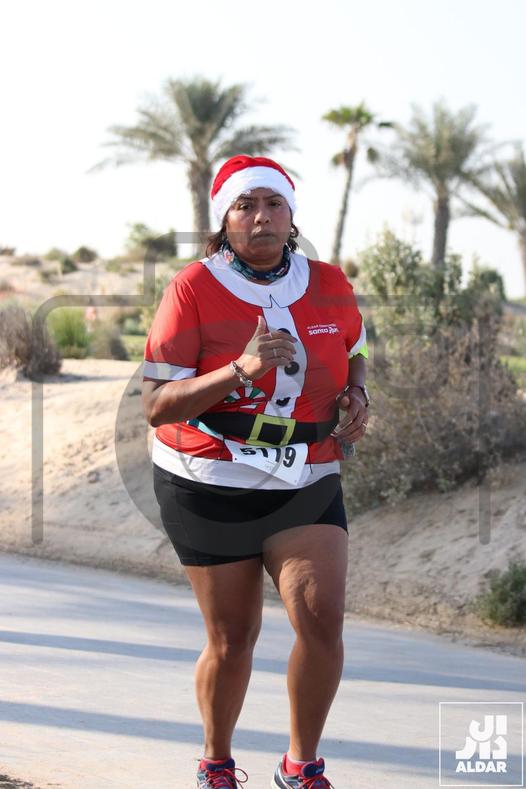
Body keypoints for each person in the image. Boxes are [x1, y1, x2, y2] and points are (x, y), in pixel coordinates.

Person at [142, 155, 369, 789]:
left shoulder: (329, 283)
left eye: (273, 203)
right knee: (232, 637)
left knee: (322, 621)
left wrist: (358, 392)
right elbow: (157, 406)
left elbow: (354, 349)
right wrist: (240, 369)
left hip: (307, 473)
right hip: (207, 477)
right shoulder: (193, 288)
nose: (261, 217)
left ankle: (301, 766)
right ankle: (216, 761)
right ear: (226, 219)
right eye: (246, 205)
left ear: (291, 216)